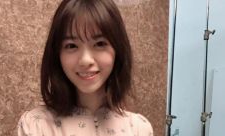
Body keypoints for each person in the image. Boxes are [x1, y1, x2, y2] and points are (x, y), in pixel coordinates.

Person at [17, 0, 153, 135]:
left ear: (118, 50)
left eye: (100, 44)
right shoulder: (35, 126)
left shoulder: (138, 129)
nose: (85, 60)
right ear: (57, 54)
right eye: (71, 45)